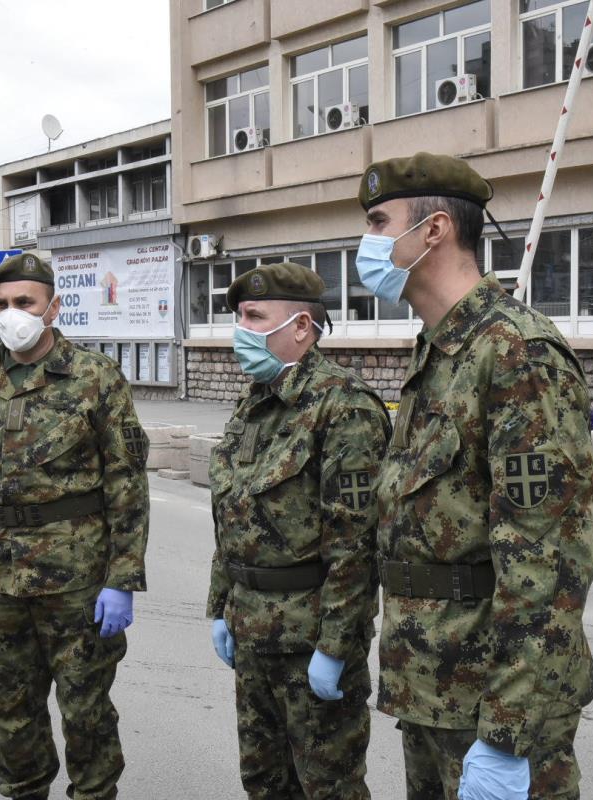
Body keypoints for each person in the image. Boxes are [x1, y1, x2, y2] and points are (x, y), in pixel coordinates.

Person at [356, 152, 593, 800]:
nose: (367, 242)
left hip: (495, 700)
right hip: (432, 686)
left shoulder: (516, 353)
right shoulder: (437, 352)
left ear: (433, 230)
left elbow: (547, 563)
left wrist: (507, 733)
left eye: (379, 222)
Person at [0, 252, 150, 800]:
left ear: (52, 308)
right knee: (9, 714)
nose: (11, 314)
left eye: (23, 303)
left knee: (86, 712)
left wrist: (122, 579)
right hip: (0, 580)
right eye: (0, 305)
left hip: (77, 581)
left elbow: (127, 483)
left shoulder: (95, 377)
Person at [206, 262, 391, 799]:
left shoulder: (344, 408)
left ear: (302, 328)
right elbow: (233, 517)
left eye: (254, 317)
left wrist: (335, 645)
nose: (240, 330)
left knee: (328, 787)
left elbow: (355, 542)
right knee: (264, 783)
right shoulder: (254, 405)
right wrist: (219, 607)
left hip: (309, 637)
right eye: (239, 316)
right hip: (252, 632)